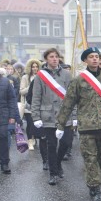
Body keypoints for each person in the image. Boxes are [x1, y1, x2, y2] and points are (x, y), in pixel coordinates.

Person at [57, 47, 101, 201]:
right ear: (85, 60)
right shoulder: (78, 80)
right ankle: (95, 189)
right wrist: (61, 124)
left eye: (96, 56)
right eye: (91, 57)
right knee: (90, 159)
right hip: (86, 128)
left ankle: (94, 180)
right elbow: (68, 103)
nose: (94, 59)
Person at [31, 48, 73, 185]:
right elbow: (36, 97)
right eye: (51, 57)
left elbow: (72, 96)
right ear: (46, 59)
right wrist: (36, 117)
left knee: (66, 142)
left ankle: (58, 162)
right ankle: (53, 173)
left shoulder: (67, 74)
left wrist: (75, 114)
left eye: (56, 57)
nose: (55, 59)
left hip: (64, 116)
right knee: (51, 145)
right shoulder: (40, 76)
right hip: (48, 116)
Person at [20, 59, 41, 152]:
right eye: (33, 67)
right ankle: (30, 141)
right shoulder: (25, 77)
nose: (35, 68)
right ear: (30, 67)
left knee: (37, 124)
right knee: (30, 124)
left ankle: (34, 138)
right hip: (28, 105)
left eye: (37, 66)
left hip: (39, 105)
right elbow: (21, 91)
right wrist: (31, 86)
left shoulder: (41, 77)